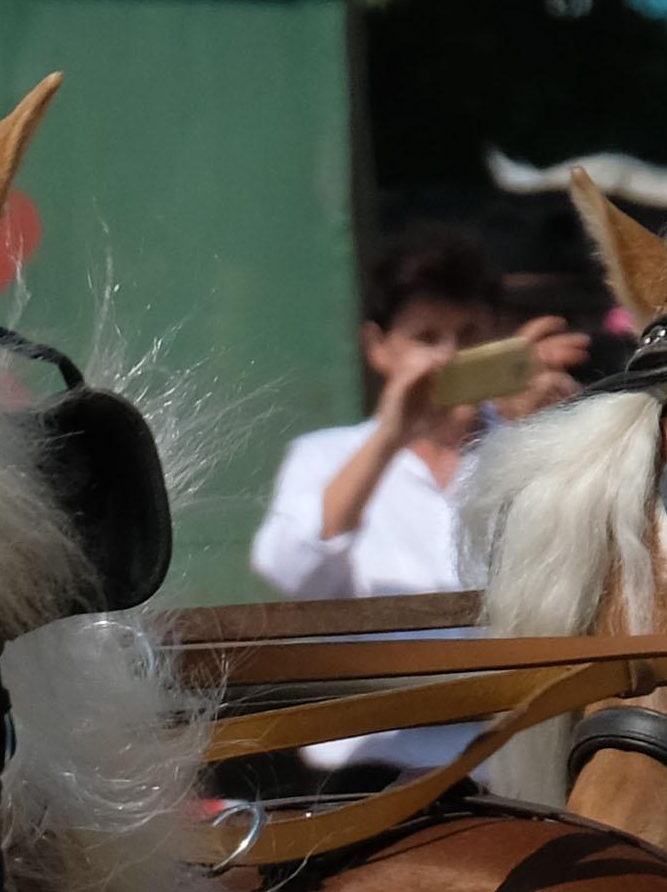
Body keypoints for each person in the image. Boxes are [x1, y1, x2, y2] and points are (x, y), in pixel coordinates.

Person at [249, 231, 586, 777]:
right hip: (368, 761)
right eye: (426, 337)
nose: (448, 357)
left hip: (510, 754)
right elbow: (292, 574)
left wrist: (544, 435)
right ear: (378, 347)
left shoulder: (528, 438)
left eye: (469, 335)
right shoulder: (325, 456)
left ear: (499, 338)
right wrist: (389, 437)